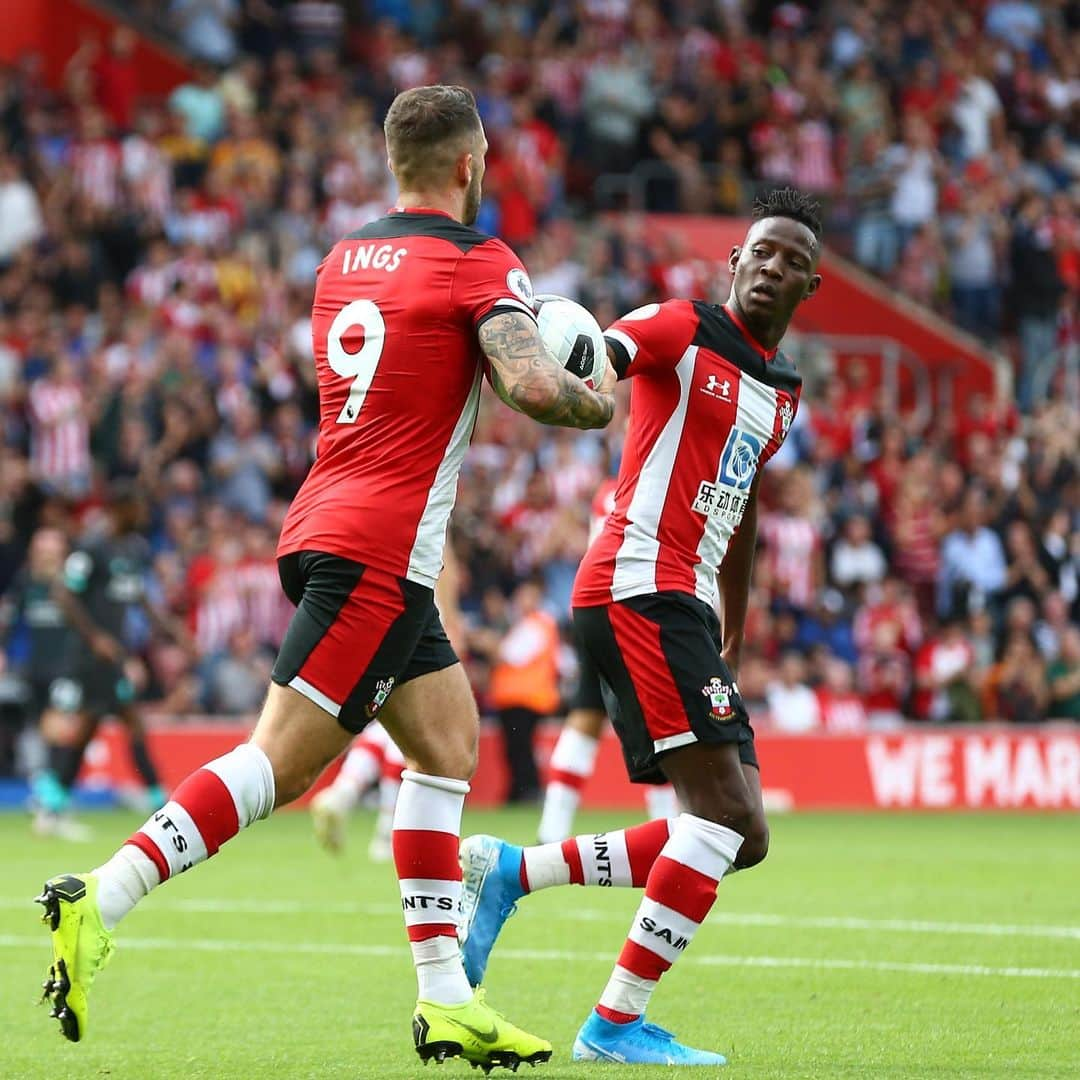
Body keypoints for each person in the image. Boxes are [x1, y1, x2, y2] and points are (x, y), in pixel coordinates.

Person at [35, 85, 616, 1072]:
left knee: (446, 748)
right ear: (472, 166)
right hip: (382, 550)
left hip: (335, 525)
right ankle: (104, 894)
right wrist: (594, 399)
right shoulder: (483, 261)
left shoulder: (342, 261)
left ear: (393, 163)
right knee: (280, 765)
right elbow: (525, 383)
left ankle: (446, 1001)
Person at [459, 188, 823, 1066]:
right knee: (725, 820)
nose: (771, 268)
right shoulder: (680, 326)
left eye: (790, 261)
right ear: (733, 263)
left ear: (811, 286)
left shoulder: (781, 395)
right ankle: (614, 1023)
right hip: (636, 586)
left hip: (684, 602)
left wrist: (734, 611)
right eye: (759, 253)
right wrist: (570, 373)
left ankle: (513, 873)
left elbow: (741, 505)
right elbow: (605, 356)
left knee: (746, 836)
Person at [537, 476, 678, 845]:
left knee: (585, 716)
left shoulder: (609, 489)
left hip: (592, 607)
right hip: (633, 609)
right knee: (654, 717)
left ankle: (551, 829)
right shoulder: (651, 486)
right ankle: (668, 833)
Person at [34, 490, 187, 826]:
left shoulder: (132, 549)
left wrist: (172, 630)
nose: (143, 515)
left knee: (121, 725)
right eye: (136, 507)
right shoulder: (91, 548)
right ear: (119, 509)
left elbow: (141, 597)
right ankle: (154, 802)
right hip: (91, 658)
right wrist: (95, 637)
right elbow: (63, 593)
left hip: (114, 657)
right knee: (97, 726)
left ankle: (57, 802)